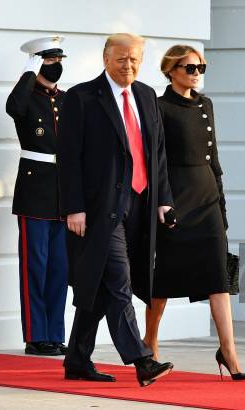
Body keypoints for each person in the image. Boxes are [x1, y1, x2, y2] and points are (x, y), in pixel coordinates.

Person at [57, 33, 175, 387]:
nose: (129, 66)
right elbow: (68, 160)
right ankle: (142, 360)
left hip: (140, 204)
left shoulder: (145, 95)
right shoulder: (81, 97)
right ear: (106, 58)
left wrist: (163, 199)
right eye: (122, 59)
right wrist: (74, 208)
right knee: (119, 281)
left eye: (136, 59)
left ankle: (77, 359)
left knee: (99, 283)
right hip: (99, 209)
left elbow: (158, 153)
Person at [142, 45, 245, 381]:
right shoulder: (159, 107)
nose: (197, 73)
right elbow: (154, 161)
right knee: (164, 279)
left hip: (206, 199)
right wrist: (163, 201)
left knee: (219, 275)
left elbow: (213, 158)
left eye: (201, 67)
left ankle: (229, 352)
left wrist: (222, 203)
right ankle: (150, 340)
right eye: (190, 68)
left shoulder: (206, 105)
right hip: (176, 197)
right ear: (171, 70)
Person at [5, 36, 69, 356]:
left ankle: (55, 333)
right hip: (34, 191)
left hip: (63, 194)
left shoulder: (67, 100)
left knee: (60, 268)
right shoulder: (26, 97)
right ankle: (35, 336)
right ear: (36, 62)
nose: (55, 66)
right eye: (48, 61)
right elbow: (13, 107)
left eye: (58, 61)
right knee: (35, 266)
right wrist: (29, 72)